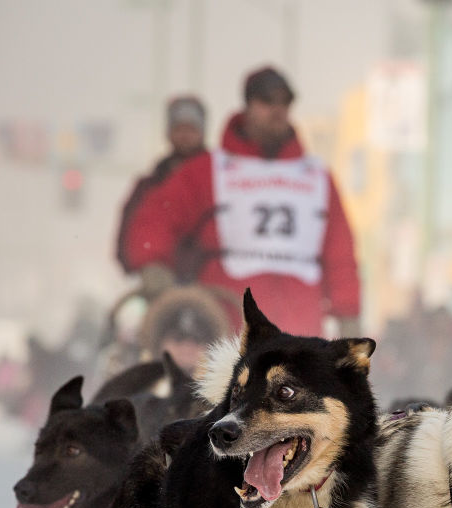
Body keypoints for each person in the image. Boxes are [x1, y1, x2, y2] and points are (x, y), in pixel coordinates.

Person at [121, 66, 360, 337]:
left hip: (299, 334)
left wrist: (348, 313)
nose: (277, 110)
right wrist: (153, 263)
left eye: (284, 103)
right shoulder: (211, 170)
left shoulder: (316, 178)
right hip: (227, 327)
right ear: (247, 106)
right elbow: (156, 215)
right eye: (267, 102)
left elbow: (340, 252)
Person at [116, 96, 209, 282]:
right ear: (169, 132)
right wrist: (147, 265)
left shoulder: (218, 179)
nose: (185, 135)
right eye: (179, 128)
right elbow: (131, 231)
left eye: (191, 129)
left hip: (209, 279)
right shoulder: (149, 186)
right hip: (163, 281)